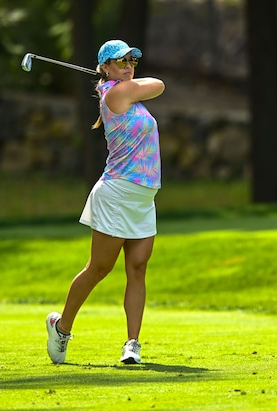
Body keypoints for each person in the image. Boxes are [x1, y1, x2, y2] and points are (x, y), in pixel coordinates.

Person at [46, 39, 165, 365]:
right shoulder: (116, 93)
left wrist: (123, 78)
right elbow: (160, 84)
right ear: (106, 67)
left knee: (137, 269)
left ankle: (132, 344)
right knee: (99, 268)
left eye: (131, 61)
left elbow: (149, 87)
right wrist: (123, 81)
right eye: (120, 61)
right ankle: (61, 327)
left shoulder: (126, 92)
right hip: (117, 194)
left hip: (143, 196)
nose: (128, 66)